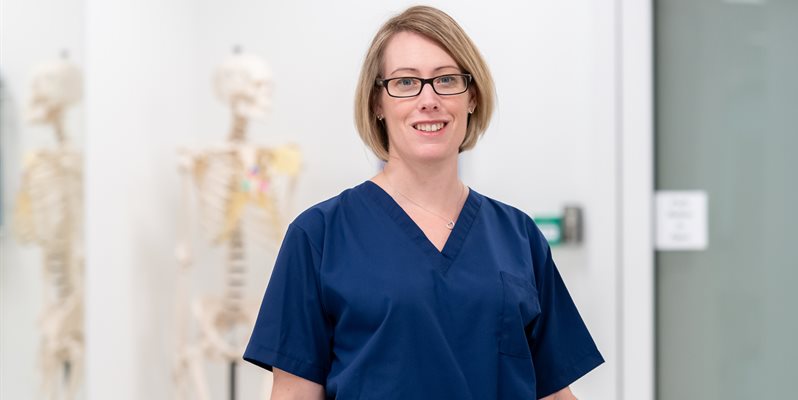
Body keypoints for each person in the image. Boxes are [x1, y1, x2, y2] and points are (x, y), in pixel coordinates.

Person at [244, 5, 603, 400]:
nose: (429, 99)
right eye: (405, 82)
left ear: (472, 98)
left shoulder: (518, 236)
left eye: (447, 80)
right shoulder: (319, 236)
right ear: (377, 103)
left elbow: (554, 391)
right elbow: (293, 394)